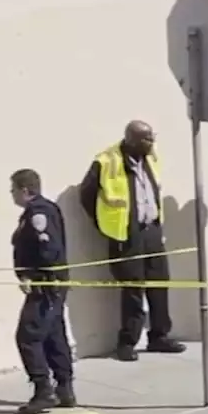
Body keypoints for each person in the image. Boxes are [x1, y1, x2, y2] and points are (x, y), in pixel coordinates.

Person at [80, 121, 186, 362]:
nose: (152, 143)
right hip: (126, 235)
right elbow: (86, 195)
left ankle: (159, 336)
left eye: (152, 138)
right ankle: (127, 342)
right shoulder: (106, 161)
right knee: (132, 288)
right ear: (132, 140)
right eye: (147, 139)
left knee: (159, 284)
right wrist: (104, 224)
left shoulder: (150, 157)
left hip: (152, 231)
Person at [9, 168, 76, 414]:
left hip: (46, 285)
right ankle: (64, 389)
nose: (12, 195)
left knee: (28, 335)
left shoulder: (38, 213)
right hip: (52, 284)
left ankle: (43, 390)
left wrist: (37, 276)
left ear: (24, 190)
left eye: (13, 190)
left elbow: (48, 248)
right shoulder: (44, 209)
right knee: (53, 334)